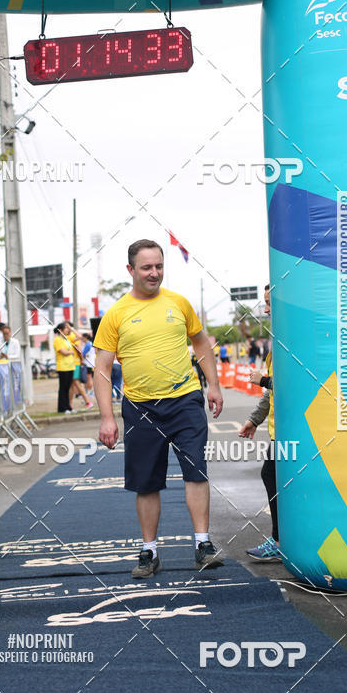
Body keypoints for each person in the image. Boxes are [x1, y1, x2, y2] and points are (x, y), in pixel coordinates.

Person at [94, 238, 224, 578]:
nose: (154, 273)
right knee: (146, 483)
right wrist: (107, 417)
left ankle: (202, 544)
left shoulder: (179, 304)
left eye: (159, 266)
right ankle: (149, 551)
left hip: (185, 401)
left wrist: (213, 385)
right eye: (147, 267)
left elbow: (201, 343)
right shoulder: (116, 314)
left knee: (196, 470)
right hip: (140, 408)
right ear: (130, 270)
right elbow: (102, 369)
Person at [238, 284, 281, 562]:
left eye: (269, 303)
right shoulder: (275, 342)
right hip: (281, 431)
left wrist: (263, 380)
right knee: (272, 477)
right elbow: (272, 393)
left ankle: (280, 541)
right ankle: (282, 539)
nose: (265, 310)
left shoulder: (292, 340)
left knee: (273, 477)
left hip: (296, 432)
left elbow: (298, 386)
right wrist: (255, 419)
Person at [67, 324, 93, 409]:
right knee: (72, 384)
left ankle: (88, 400)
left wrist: (82, 360)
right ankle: (70, 405)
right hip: (76, 364)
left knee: (78, 383)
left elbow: (81, 352)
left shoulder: (76, 339)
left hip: (79, 364)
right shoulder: (72, 338)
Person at [53, 321, 76, 414]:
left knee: (68, 387)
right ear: (61, 330)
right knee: (63, 388)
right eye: (66, 328)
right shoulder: (57, 339)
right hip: (63, 367)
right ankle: (62, 408)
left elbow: (78, 337)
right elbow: (63, 351)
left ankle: (68, 407)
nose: (68, 330)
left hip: (70, 366)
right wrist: (70, 352)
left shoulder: (66, 339)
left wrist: (71, 329)